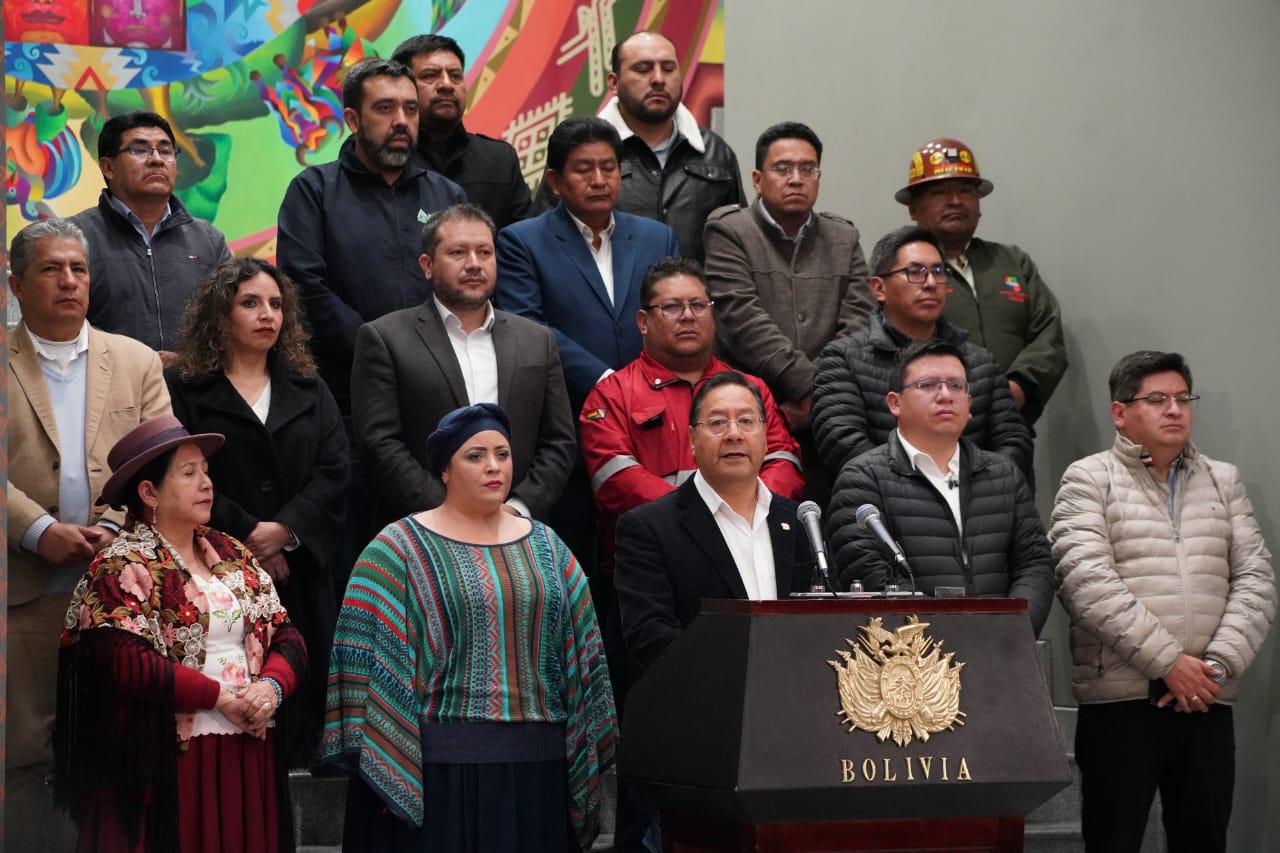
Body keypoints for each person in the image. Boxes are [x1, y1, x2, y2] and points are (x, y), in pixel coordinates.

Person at [322, 403, 618, 853]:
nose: (493, 466)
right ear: (444, 470)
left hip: (540, 772)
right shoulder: (396, 550)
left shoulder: (550, 547)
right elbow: (361, 665)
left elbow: (585, 657)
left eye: (503, 453)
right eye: (475, 455)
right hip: (439, 778)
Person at [1050, 351, 1275, 853]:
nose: (1174, 409)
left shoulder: (1223, 480)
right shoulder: (1089, 478)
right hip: (1122, 702)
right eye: (1157, 399)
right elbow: (1085, 582)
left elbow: (1256, 579)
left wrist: (1215, 667)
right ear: (1120, 412)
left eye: (1182, 398)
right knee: (1113, 840)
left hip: (1206, 699)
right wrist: (1169, 663)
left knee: (1204, 840)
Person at [54, 415, 308, 852]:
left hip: (246, 739)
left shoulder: (230, 551)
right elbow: (127, 663)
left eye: (206, 471)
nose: (206, 483)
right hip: (168, 755)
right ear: (148, 492)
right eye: (189, 473)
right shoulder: (120, 564)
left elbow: (286, 635)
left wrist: (270, 688)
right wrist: (223, 699)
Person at [6, 218, 172, 853]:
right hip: (22, 593)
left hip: (118, 595)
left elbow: (162, 461)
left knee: (114, 753)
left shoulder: (134, 360)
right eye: (51, 269)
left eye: (78, 268)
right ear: (17, 285)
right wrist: (36, 530)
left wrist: (112, 526)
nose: (69, 281)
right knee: (20, 755)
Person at [166, 257, 350, 769]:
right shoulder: (185, 387)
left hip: (301, 569)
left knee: (303, 698)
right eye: (250, 302)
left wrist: (286, 530)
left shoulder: (309, 385)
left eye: (275, 304)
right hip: (213, 567)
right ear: (220, 315)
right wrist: (251, 535)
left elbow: (336, 469)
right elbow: (183, 472)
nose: (267, 314)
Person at [495, 115, 679, 575]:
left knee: (651, 566)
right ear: (555, 181)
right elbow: (529, 326)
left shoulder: (657, 236)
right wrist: (608, 382)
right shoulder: (521, 241)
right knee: (577, 569)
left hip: (651, 430)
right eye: (584, 169)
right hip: (568, 430)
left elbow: (672, 316)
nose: (599, 179)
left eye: (609, 167)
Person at [352, 203, 575, 528]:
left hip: (518, 529)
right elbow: (379, 444)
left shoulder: (537, 339)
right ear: (427, 265)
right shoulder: (385, 338)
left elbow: (559, 440)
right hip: (422, 531)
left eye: (484, 252)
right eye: (458, 252)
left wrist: (518, 508)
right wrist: (449, 514)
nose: (474, 264)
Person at [581, 256, 803, 574]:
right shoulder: (612, 394)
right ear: (643, 321)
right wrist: (699, 518)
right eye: (672, 307)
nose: (687, 316)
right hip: (654, 562)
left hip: (751, 549)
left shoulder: (750, 389)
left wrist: (743, 516)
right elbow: (617, 484)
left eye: (698, 305)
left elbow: (783, 463)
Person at [276, 57, 467, 420]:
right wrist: (377, 348)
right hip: (345, 389)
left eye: (410, 109)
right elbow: (304, 286)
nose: (401, 120)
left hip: (439, 385)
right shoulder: (314, 190)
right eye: (384, 108)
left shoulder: (447, 195)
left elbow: (466, 283)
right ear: (352, 120)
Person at [825, 339, 1053, 636]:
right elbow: (870, 573)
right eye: (928, 385)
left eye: (956, 386)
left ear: (969, 404)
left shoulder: (1004, 475)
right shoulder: (863, 478)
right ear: (894, 403)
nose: (945, 395)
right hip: (911, 655)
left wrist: (1011, 632)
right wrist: (946, 640)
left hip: (1003, 647)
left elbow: (1035, 565)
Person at [703, 121, 873, 500]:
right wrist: (810, 390)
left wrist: (819, 399)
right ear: (757, 179)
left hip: (833, 418)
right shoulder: (729, 231)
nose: (796, 178)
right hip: (752, 409)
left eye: (807, 169)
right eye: (783, 168)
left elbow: (859, 322)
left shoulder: (844, 237)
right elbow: (742, 319)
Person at [615, 370, 812, 670]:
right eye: (718, 423)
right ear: (692, 440)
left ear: (765, 437)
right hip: (702, 693)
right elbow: (650, 637)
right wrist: (744, 673)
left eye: (746, 421)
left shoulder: (800, 521)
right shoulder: (649, 528)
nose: (734, 434)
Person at [812, 225, 1032, 482]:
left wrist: (969, 490)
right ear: (878, 288)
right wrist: (920, 491)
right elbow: (842, 444)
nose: (930, 283)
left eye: (938, 272)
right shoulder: (843, 359)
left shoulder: (980, 362)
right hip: (883, 499)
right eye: (915, 272)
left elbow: (1013, 441)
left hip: (974, 498)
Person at [533, 30, 745, 260]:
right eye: (643, 69)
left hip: (694, 284)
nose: (658, 79)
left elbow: (737, 244)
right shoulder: (578, 151)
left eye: (669, 69)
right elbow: (544, 242)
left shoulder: (715, 152)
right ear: (614, 82)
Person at [897, 138, 1066, 424]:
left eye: (965, 191)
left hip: (1011, 423)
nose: (955, 201)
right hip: (932, 425)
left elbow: (1048, 334)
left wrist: (1018, 388)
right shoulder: (899, 269)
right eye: (939, 193)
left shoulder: (1012, 262)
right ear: (913, 208)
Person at [70, 110, 232, 360]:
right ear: (108, 167)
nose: (156, 159)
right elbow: (57, 325)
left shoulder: (209, 241)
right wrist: (138, 365)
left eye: (165, 151)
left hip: (192, 382)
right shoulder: (72, 239)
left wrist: (187, 364)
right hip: (106, 381)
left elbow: (232, 322)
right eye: (139, 150)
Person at [391, 34, 532, 230]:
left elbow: (524, 240)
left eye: (455, 76)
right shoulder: (387, 157)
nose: (447, 85)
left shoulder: (499, 159)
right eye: (430, 75)